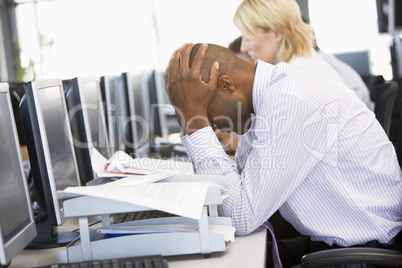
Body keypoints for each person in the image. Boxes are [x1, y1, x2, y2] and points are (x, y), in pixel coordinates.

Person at [164, 42, 402, 267]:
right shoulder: (269, 95)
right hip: (336, 240)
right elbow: (237, 187)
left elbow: (239, 216)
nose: (215, 126)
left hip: (363, 252)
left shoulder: (290, 100)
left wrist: (194, 121)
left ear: (227, 85)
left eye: (210, 115)